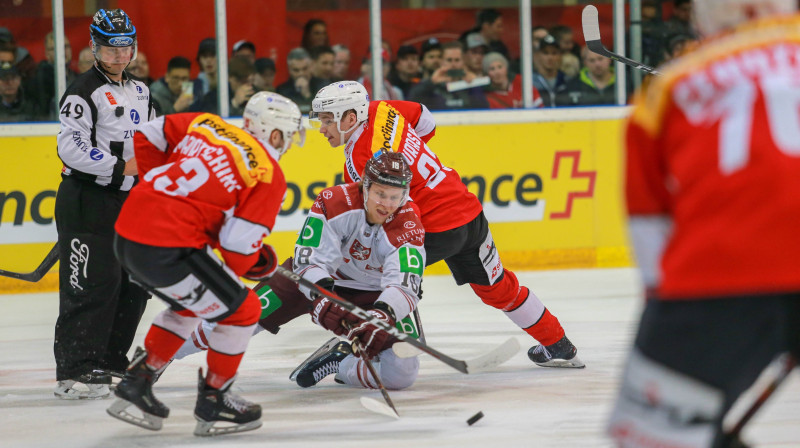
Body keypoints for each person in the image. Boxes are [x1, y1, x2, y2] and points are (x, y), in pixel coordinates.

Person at [607, 1, 800, 447]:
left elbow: (649, 223)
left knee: (650, 437)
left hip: (719, 278)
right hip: (727, 274)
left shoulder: (671, 84)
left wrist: (667, 317)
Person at [310, 80, 583, 369]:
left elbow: (380, 216)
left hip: (434, 228)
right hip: (467, 211)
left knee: (370, 274)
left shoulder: (360, 159)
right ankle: (558, 343)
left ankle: (373, 345)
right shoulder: (383, 109)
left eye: (327, 121)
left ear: (350, 118)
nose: (322, 129)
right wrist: (410, 161)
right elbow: (426, 121)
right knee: (498, 287)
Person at [107, 91, 303, 436]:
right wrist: (259, 262)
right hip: (166, 247)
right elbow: (237, 253)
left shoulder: (207, 123)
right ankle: (215, 399)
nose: (287, 145)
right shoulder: (267, 172)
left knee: (194, 303)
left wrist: (162, 191)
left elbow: (148, 134)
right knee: (243, 310)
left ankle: (138, 380)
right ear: (275, 134)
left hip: (127, 231)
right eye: (287, 136)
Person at [176, 151, 424, 392]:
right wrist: (322, 295)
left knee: (401, 374)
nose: (387, 204)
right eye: (381, 194)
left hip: (374, 294)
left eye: (395, 196)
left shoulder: (409, 224)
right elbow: (308, 260)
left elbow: (404, 285)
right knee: (237, 320)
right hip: (312, 282)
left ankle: (340, 360)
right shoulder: (334, 201)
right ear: (365, 185)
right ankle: (157, 357)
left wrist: (382, 315)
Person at [53, 8, 155, 400]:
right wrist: (119, 167)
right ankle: (76, 369)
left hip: (131, 200)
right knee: (91, 283)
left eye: (125, 47)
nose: (118, 56)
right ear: (94, 48)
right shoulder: (83, 90)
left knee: (134, 282)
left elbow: (154, 140)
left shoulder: (142, 92)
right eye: (109, 49)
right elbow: (69, 145)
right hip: (88, 199)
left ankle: (110, 361)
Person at [408, 41, 489, 110]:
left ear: (463, 61)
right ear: (442, 61)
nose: (453, 64)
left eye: (457, 60)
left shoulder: (470, 84)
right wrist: (431, 83)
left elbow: (483, 109)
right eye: (449, 60)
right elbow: (411, 105)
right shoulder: (430, 85)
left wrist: (474, 85)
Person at [532, 34, 568, 107]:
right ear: (537, 56)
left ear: (560, 56)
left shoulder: (568, 81)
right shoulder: (530, 82)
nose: (550, 57)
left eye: (554, 53)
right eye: (545, 53)